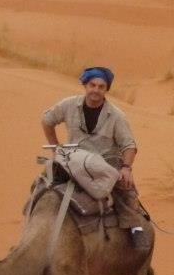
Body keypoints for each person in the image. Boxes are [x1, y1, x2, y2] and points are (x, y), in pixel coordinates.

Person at [41, 66, 150, 247]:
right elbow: (47, 120)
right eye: (93, 85)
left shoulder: (116, 116)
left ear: (106, 90)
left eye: (101, 87)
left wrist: (126, 168)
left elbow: (129, 145)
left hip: (105, 165)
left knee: (125, 190)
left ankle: (135, 229)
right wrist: (55, 148)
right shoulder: (69, 105)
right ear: (85, 85)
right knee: (43, 184)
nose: (96, 90)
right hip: (74, 161)